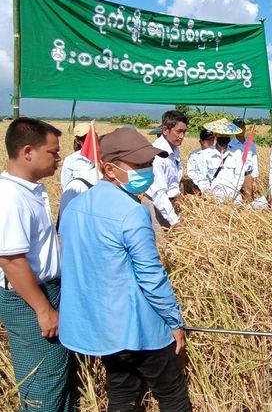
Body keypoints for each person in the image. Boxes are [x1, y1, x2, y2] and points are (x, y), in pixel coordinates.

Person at [58, 127, 192, 411]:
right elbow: (150, 276)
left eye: (148, 164)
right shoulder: (132, 212)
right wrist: (174, 321)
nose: (148, 170)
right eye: (139, 165)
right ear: (109, 169)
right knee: (172, 395)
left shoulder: (74, 206)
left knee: (120, 392)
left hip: (102, 329)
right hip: (139, 328)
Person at [0, 117, 72, 411]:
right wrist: (43, 309)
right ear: (28, 152)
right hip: (29, 298)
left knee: (57, 376)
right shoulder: (10, 197)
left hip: (43, 291)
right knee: (43, 384)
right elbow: (11, 260)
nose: (58, 158)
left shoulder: (30, 190)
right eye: (53, 152)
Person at [144, 110, 188, 234]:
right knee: (161, 246)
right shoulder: (158, 155)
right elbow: (159, 193)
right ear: (165, 130)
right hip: (157, 206)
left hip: (169, 204)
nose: (182, 136)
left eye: (184, 132)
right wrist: (175, 221)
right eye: (179, 132)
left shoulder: (175, 149)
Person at [187, 128, 249, 203]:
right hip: (213, 198)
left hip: (234, 198)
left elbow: (239, 176)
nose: (224, 137)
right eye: (221, 135)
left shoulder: (237, 153)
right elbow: (202, 176)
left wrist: (233, 193)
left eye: (226, 135)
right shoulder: (206, 154)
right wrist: (208, 193)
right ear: (216, 135)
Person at [230, 118, 259, 200]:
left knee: (248, 201)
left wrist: (254, 179)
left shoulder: (251, 144)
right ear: (234, 130)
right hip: (234, 177)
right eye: (238, 127)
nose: (241, 129)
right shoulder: (230, 145)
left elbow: (254, 161)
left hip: (247, 177)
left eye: (242, 127)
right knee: (234, 200)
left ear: (245, 128)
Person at [60, 122, 95, 190]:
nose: (89, 141)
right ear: (78, 141)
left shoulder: (105, 154)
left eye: (91, 137)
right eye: (84, 139)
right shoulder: (71, 160)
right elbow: (66, 187)